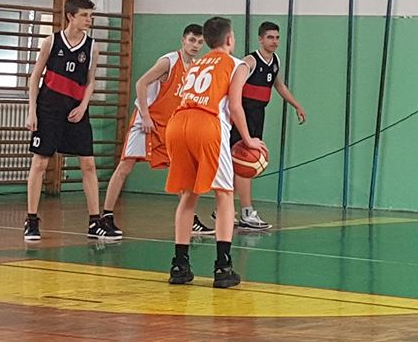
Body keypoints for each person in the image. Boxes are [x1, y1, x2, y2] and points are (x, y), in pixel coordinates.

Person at [165, 16, 264, 288]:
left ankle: (179, 265)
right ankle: (223, 267)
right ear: (230, 39)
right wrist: (248, 139)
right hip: (207, 125)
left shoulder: (196, 63)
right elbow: (234, 107)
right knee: (224, 194)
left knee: (188, 195)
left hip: (178, 124)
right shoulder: (237, 64)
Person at [101, 24, 214, 236]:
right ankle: (105, 216)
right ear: (183, 40)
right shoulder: (168, 62)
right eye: (192, 40)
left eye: (200, 42)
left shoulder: (196, 68)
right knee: (125, 166)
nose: (196, 45)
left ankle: (190, 219)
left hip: (169, 126)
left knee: (180, 170)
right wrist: (145, 115)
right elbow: (141, 83)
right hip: (146, 121)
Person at [23, 0, 112, 241]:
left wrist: (83, 106)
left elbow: (91, 80)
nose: (89, 20)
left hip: (76, 111)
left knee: (88, 164)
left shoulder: (92, 46)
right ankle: (32, 220)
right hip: (48, 110)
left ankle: (95, 221)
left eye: (91, 16)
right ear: (71, 16)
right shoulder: (51, 42)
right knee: (40, 164)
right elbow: (35, 77)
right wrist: (32, 111)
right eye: (84, 15)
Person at [227, 21, 306, 229]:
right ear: (260, 39)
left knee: (239, 165)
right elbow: (233, 87)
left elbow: (279, 85)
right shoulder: (249, 61)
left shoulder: (275, 61)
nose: (274, 41)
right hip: (242, 116)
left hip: (258, 115)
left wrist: (296, 105)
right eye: (270, 37)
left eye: (277, 37)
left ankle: (224, 211)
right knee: (244, 164)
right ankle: (246, 213)